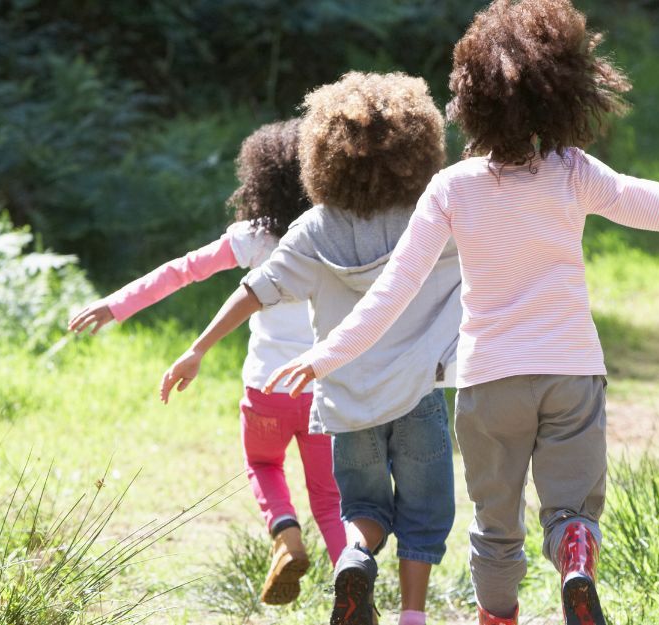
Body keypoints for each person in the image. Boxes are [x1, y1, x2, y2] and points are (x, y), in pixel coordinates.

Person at [264, 1, 659, 624]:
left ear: (470, 99)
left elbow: (391, 292)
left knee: (495, 530)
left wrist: (325, 356)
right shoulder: (574, 174)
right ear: (565, 92)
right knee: (571, 510)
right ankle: (574, 553)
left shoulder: (451, 188)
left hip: (490, 383)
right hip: (571, 373)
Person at [159, 72, 461, 625]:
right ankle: (412, 615)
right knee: (424, 513)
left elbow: (254, 290)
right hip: (417, 394)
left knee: (364, 509)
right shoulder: (431, 218)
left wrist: (197, 349)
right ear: (417, 149)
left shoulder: (313, 230)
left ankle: (355, 558)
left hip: (346, 400)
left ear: (323, 155)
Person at [67, 119, 346, 606]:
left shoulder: (255, 238)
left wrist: (117, 304)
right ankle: (354, 586)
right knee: (329, 498)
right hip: (323, 389)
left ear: (261, 181)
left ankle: (285, 535)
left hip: (267, 390)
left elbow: (183, 271)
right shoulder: (336, 233)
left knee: (262, 462)